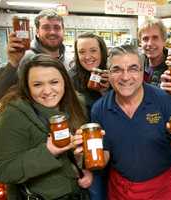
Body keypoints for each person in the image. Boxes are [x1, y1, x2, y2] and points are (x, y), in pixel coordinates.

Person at [80, 45, 171, 199]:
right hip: (120, 189)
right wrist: (85, 156)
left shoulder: (164, 101)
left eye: (133, 69)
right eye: (117, 69)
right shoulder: (99, 109)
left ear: (142, 72)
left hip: (160, 188)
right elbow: (103, 155)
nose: (125, 77)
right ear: (109, 73)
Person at [0, 54, 93, 200]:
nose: (47, 91)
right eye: (37, 84)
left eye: (54, 82)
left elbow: (76, 156)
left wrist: (84, 168)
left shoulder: (76, 104)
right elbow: (3, 171)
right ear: (27, 86)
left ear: (65, 81)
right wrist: (49, 151)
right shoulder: (14, 114)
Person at [0, 9, 70, 101]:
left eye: (57, 28)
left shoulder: (70, 60)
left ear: (63, 31)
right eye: (46, 27)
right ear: (37, 31)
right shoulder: (24, 59)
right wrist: (13, 63)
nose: (52, 32)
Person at [69, 32, 109, 200]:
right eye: (82, 52)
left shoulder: (112, 75)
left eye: (93, 50)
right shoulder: (70, 80)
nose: (88, 56)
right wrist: (80, 166)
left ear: (102, 52)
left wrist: (107, 90)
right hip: (89, 156)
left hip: (114, 150)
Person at [138, 17, 168, 86]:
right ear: (140, 43)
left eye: (155, 38)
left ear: (164, 41)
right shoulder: (136, 65)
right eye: (145, 39)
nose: (150, 43)